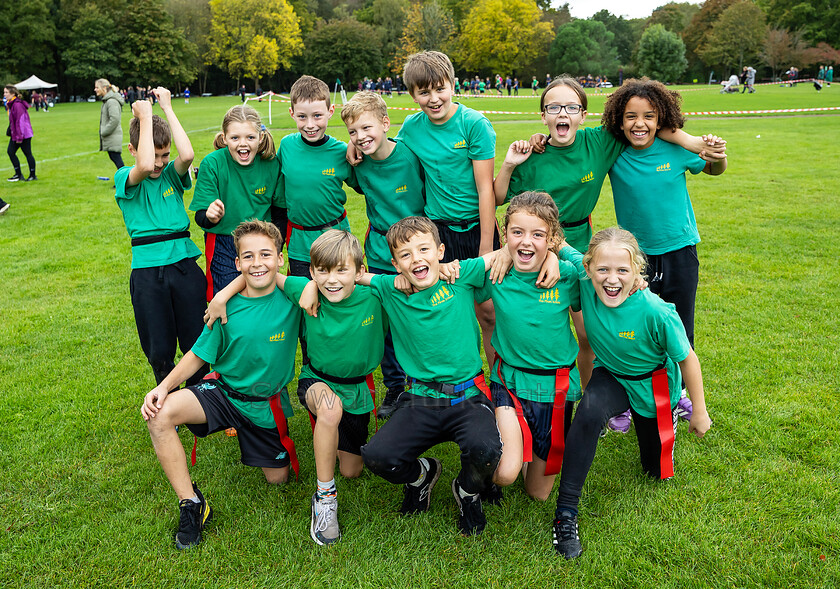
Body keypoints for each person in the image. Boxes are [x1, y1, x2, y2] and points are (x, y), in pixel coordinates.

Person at [494, 75, 720, 388]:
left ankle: (595, 395)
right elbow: (497, 198)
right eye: (554, 108)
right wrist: (514, 159)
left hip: (579, 242)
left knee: (589, 333)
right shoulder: (534, 155)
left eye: (571, 107)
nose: (563, 114)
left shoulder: (601, 142)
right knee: (535, 325)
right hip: (536, 245)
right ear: (543, 114)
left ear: (583, 114)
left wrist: (690, 140)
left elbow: (645, 122)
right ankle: (522, 391)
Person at [207, 230, 385, 546]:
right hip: (317, 380)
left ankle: (341, 458)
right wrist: (221, 295)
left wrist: (368, 278)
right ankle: (324, 498)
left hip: (357, 388)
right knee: (330, 411)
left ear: (358, 271)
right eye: (323, 272)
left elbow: (406, 284)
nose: (331, 280)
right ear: (311, 272)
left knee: (353, 471)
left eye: (341, 270)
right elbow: (270, 275)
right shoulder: (303, 288)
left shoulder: (375, 298)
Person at [140, 220, 303, 550]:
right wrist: (164, 388)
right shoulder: (225, 308)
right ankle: (192, 504)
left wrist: (235, 285)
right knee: (159, 415)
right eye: (248, 257)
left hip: (265, 404)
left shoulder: (294, 299)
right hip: (224, 393)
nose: (257, 263)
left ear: (280, 258)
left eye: (266, 255)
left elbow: (325, 288)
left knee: (278, 480)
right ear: (237, 263)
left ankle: (254, 438)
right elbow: (198, 353)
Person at [551, 227, 712, 559]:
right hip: (610, 375)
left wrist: (699, 410)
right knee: (589, 411)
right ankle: (566, 513)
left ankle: (668, 417)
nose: (612, 278)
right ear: (589, 269)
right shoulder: (583, 276)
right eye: (603, 270)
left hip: (653, 385)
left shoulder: (656, 312)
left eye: (623, 270)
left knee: (654, 471)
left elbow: (688, 359)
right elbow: (561, 245)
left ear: (639, 272)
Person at [350, 51, 499, 364]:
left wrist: (486, 246)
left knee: (488, 314)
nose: (434, 98)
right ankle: (451, 377)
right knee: (442, 309)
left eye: (440, 88)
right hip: (438, 232)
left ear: (453, 84)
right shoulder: (412, 127)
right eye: (424, 92)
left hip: (477, 228)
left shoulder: (474, 125)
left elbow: (486, 189)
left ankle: (499, 385)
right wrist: (355, 143)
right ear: (412, 95)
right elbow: (387, 146)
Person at [359, 216, 502, 536]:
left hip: (468, 394)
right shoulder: (390, 288)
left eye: (424, 249)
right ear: (395, 264)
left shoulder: (460, 276)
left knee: (487, 451)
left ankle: (467, 491)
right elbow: (352, 275)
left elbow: (500, 254)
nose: (416, 259)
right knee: (378, 457)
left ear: (440, 250)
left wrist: (454, 266)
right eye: (405, 255)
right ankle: (421, 476)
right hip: (421, 397)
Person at [600, 78, 726, 431]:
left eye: (649, 116)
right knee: (636, 328)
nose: (639, 124)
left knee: (680, 327)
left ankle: (678, 395)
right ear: (618, 121)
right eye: (631, 117)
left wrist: (716, 155)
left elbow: (714, 169)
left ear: (662, 120)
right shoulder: (615, 151)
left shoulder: (675, 150)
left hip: (680, 251)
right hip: (635, 262)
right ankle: (627, 399)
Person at [475, 192, 581, 502]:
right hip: (510, 382)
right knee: (506, 473)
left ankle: (522, 446)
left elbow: (594, 268)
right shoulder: (495, 272)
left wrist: (556, 254)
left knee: (538, 494)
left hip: (556, 389)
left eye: (538, 235)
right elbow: (450, 274)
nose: (526, 242)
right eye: (517, 232)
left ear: (552, 238)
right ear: (504, 232)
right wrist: (498, 253)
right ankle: (479, 468)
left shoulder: (566, 275)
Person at [339, 91, 425, 418]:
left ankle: (421, 385)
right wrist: (352, 148)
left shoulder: (411, 155)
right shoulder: (357, 162)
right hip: (378, 252)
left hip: (415, 254)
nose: (360, 137)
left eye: (366, 128)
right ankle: (395, 387)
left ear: (386, 123)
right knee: (386, 324)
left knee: (415, 321)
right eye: (352, 132)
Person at [115, 88, 207, 387]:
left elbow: (188, 154)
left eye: (164, 155)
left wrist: (166, 107)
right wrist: (143, 117)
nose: (159, 163)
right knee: (159, 348)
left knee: (197, 339)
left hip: (184, 266)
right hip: (147, 272)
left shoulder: (170, 175)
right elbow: (143, 166)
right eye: (155, 155)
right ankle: (168, 401)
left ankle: (202, 403)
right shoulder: (127, 177)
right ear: (133, 149)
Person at [188, 105, 284, 300]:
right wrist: (209, 216)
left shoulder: (271, 163)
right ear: (224, 138)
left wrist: (275, 248)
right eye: (235, 138)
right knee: (227, 301)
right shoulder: (212, 163)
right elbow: (200, 216)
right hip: (224, 243)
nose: (243, 144)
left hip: (262, 241)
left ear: (261, 137)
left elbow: (280, 213)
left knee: (264, 296)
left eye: (250, 137)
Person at [280, 75, 356, 279]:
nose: (310, 124)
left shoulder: (341, 151)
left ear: (330, 112)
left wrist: (357, 145)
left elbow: (365, 185)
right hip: (299, 243)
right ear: (292, 113)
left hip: (335, 236)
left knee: (338, 295)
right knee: (304, 299)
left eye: (317, 116)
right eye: (302, 116)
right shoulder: (286, 146)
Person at [4, 85, 36, 182]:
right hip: (17, 133)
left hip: (23, 134)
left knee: (27, 153)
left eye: (6, 92)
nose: (4, 94)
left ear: (13, 94)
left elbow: (20, 121)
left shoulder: (17, 105)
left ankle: (32, 175)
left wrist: (19, 136)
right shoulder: (11, 103)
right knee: (11, 151)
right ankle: (19, 175)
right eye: (4, 92)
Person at [95, 78, 125, 171]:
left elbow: (114, 119)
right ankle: (124, 181)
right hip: (111, 136)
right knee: (115, 158)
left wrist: (104, 131)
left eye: (97, 87)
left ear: (104, 88)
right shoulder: (107, 101)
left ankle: (125, 181)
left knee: (116, 159)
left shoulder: (111, 101)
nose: (95, 90)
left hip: (113, 135)